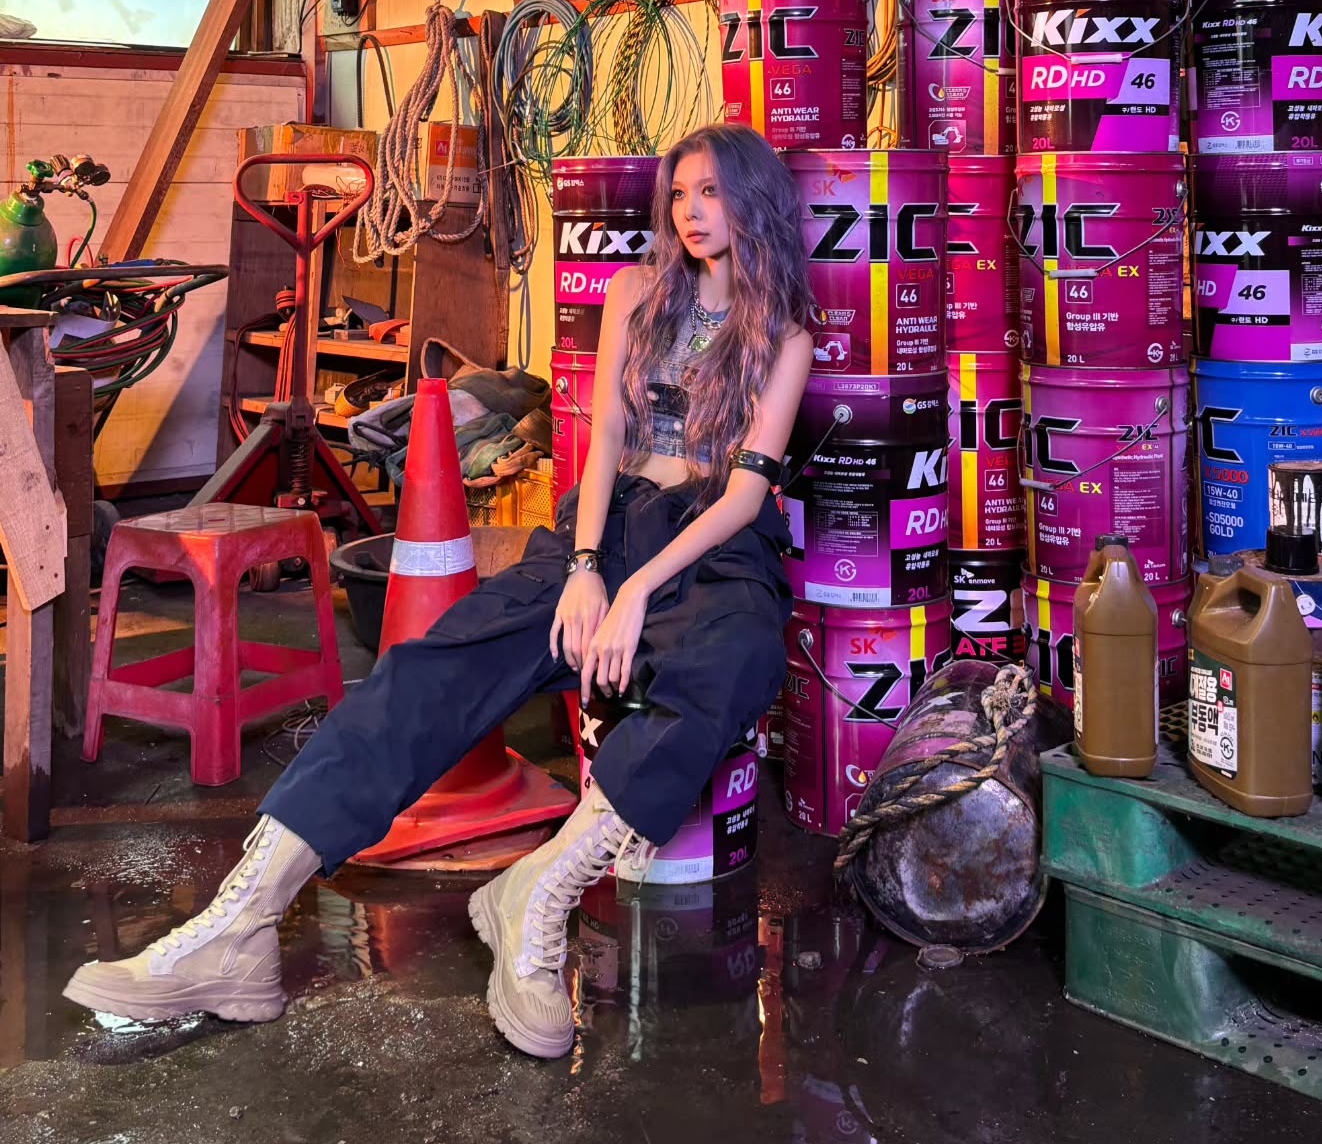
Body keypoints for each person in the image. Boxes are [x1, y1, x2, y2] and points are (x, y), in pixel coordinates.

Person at [65, 123, 814, 1061]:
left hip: (715, 541)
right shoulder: (637, 291)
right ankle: (237, 926)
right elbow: (608, 445)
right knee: (438, 662)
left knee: (734, 657)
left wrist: (638, 595)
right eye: (679, 193)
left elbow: (744, 492)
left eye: (712, 192)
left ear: (754, 201)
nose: (692, 212)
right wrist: (588, 570)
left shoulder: (784, 334)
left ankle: (535, 894)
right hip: (612, 520)